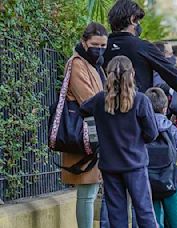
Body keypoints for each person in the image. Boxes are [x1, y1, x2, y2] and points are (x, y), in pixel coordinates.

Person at [80, 56, 159, 227]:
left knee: (116, 214)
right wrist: (137, 140)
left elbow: (83, 109)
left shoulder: (100, 100)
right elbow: (152, 133)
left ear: (108, 74)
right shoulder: (140, 100)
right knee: (144, 210)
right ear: (133, 74)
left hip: (110, 164)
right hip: (135, 163)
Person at [59, 22, 107, 228]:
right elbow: (89, 99)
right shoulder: (78, 63)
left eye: (104, 46)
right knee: (87, 193)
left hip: (94, 133)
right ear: (84, 42)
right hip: (85, 134)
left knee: (91, 191)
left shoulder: (94, 65)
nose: (100, 49)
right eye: (96, 44)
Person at [104, 0, 177, 104]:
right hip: (138, 107)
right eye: (139, 21)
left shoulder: (102, 47)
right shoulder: (142, 46)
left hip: (107, 107)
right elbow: (170, 73)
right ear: (132, 19)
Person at [145, 87, 177, 228]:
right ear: (165, 108)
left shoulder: (141, 128)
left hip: (148, 181)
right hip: (171, 180)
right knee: (176, 220)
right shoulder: (173, 130)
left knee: (153, 220)